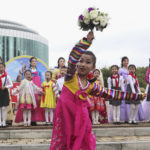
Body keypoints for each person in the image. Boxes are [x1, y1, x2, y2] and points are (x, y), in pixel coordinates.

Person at [50, 32, 145, 150]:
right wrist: (86, 42)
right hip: (66, 118)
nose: (83, 64)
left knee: (85, 142)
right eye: (81, 61)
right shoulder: (70, 77)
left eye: (88, 62)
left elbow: (112, 93)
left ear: (93, 67)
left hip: (82, 121)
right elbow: (73, 56)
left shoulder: (91, 86)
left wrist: (137, 96)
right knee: (64, 144)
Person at [0, 63, 13, 127]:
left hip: (4, 92)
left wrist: (6, 86)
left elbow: (11, 84)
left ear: (4, 68)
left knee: (4, 108)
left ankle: (4, 122)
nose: (1, 69)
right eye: (0, 67)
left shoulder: (7, 76)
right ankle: (0, 122)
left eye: (2, 67)